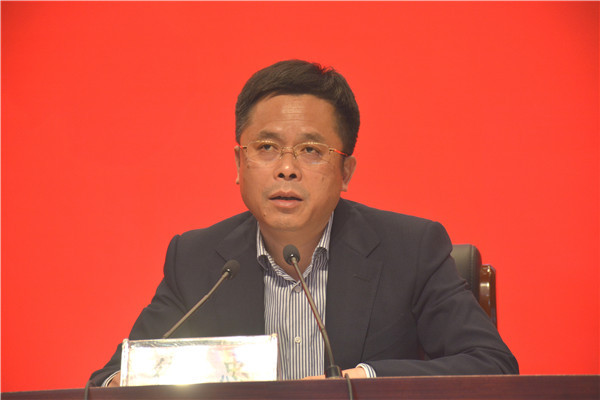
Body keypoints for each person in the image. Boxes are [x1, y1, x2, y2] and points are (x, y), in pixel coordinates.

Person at [89, 60, 518, 387]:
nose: (287, 169)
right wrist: (123, 383)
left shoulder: (411, 249)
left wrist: (361, 381)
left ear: (345, 172)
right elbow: (111, 380)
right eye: (266, 147)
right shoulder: (198, 260)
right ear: (239, 163)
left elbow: (492, 365)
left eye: (311, 151)